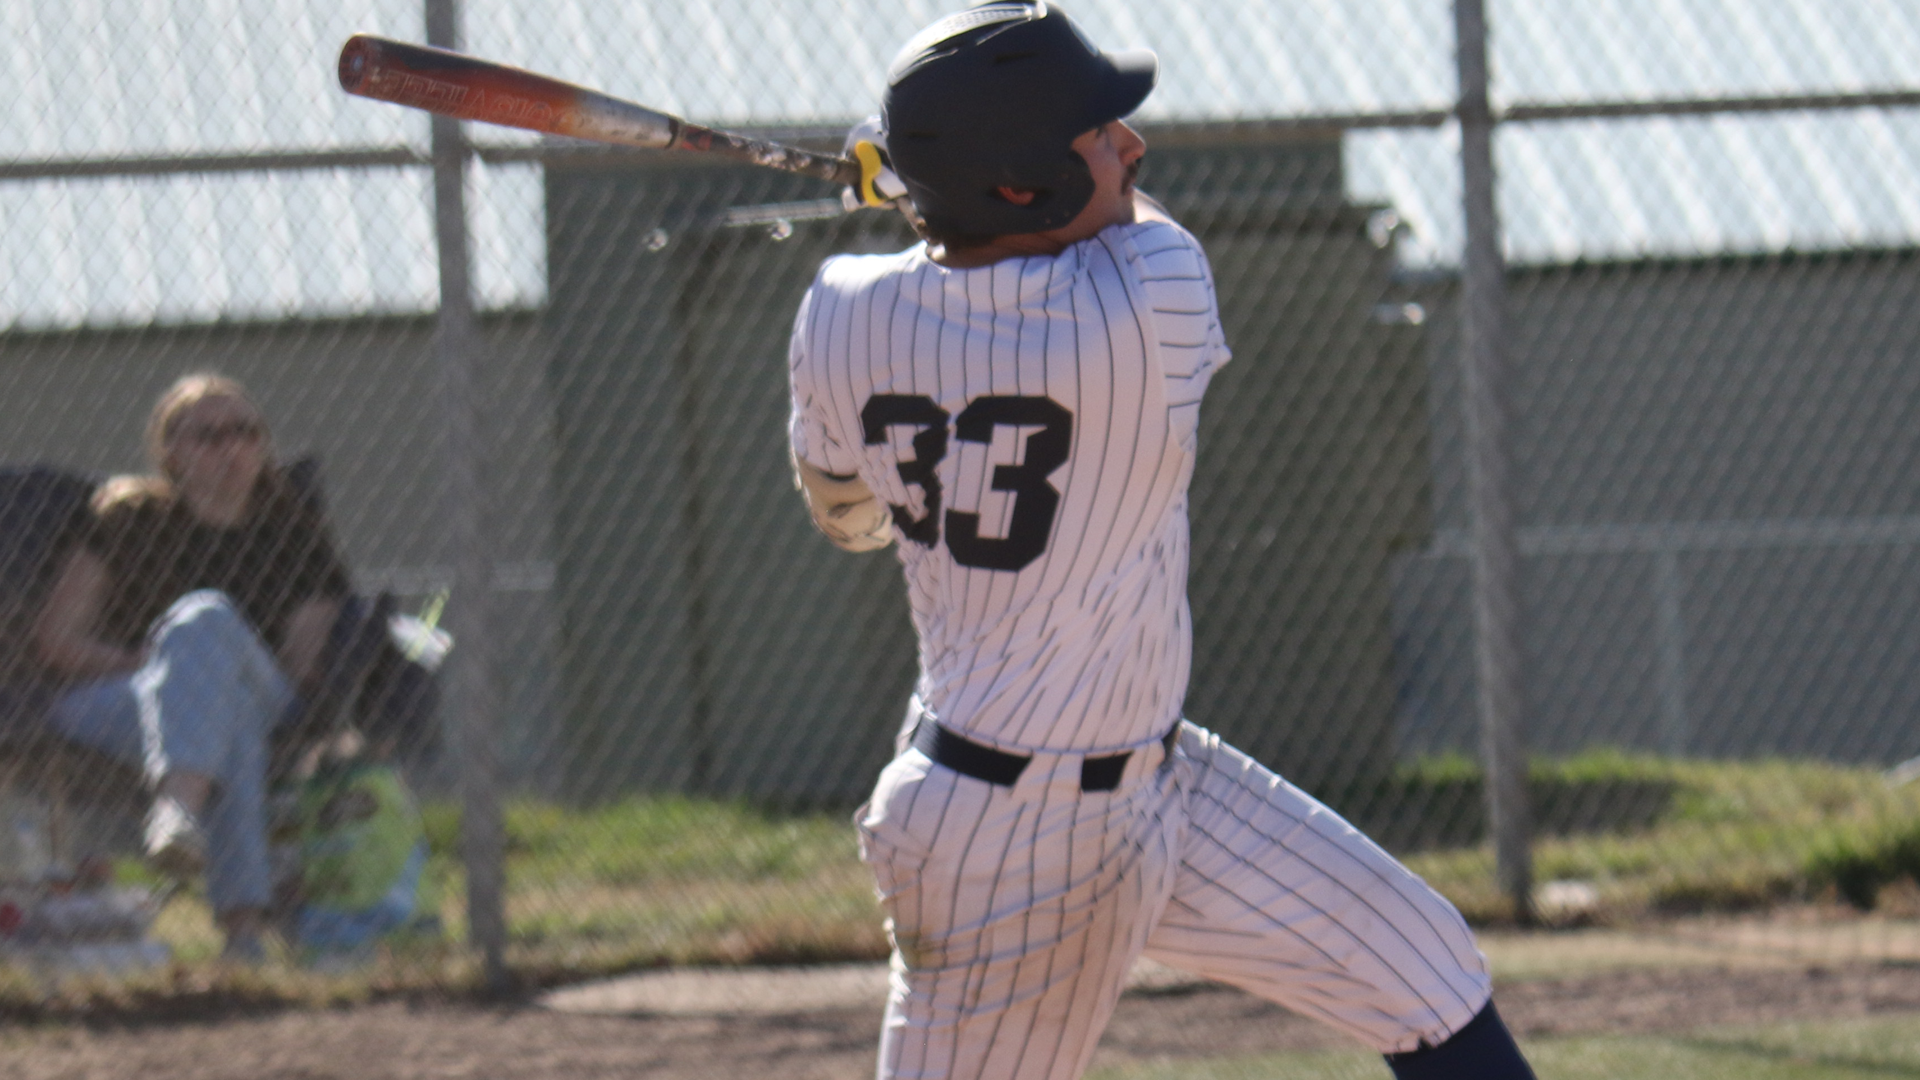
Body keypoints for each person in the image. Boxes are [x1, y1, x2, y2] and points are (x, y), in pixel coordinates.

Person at [786, 5, 1537, 1079]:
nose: (1131, 144)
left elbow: (848, 519)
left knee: (1427, 975)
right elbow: (1110, 225)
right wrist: (919, 181)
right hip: (1013, 852)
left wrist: (928, 192)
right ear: (1020, 186)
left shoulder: (839, 310)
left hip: (1151, 780)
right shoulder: (1152, 297)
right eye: (1098, 133)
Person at [33, 373, 350, 959]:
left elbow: (302, 669)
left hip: (262, 692)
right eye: (208, 436)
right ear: (170, 452)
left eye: (245, 432)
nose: (232, 447)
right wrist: (166, 668)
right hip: (124, 691)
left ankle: (178, 808)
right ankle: (243, 939)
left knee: (207, 621)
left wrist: (204, 656)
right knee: (226, 724)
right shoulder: (126, 519)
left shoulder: (293, 532)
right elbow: (57, 641)